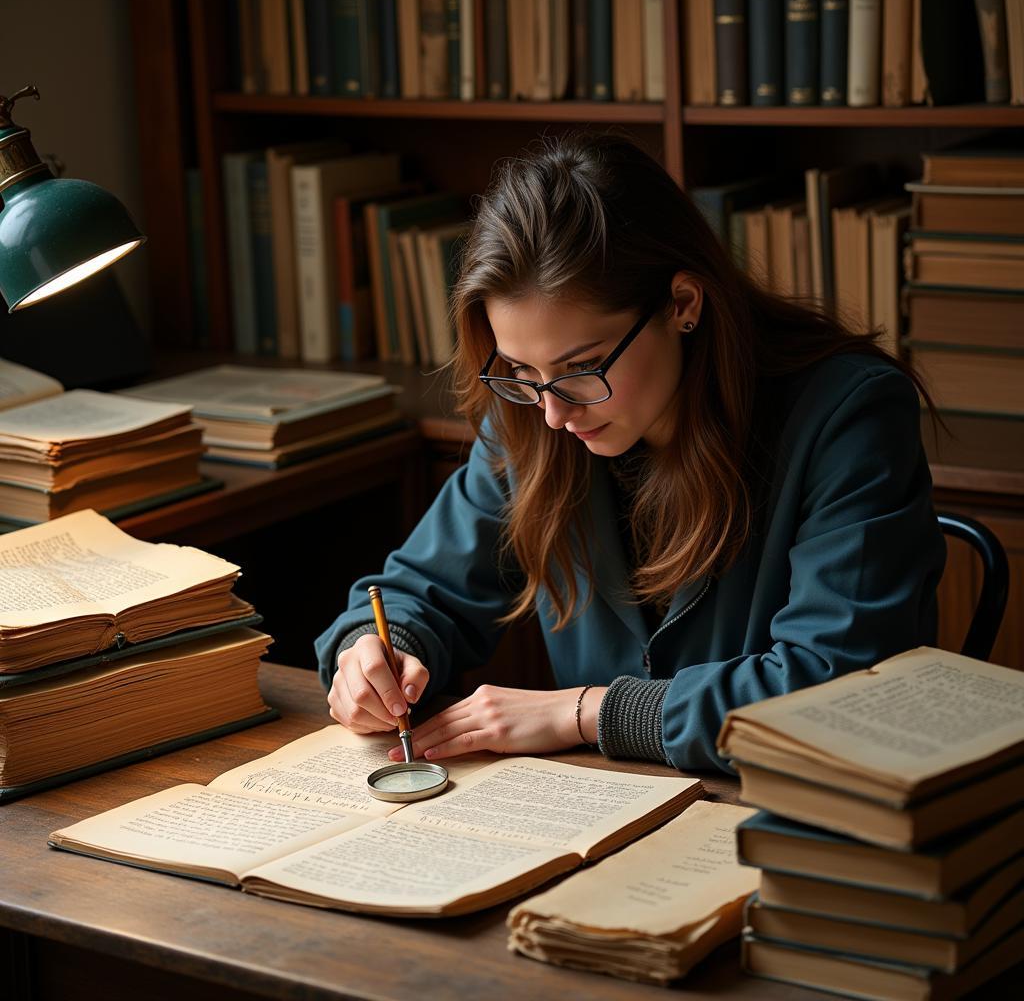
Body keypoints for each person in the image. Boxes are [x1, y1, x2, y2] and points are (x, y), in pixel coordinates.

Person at [316, 131, 946, 774]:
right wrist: (375, 650)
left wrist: (587, 712)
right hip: (603, 814)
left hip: (794, 820)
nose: (554, 413)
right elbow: (422, 591)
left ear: (682, 305)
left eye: (582, 366)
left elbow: (833, 687)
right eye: (520, 369)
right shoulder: (534, 411)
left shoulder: (848, 415)